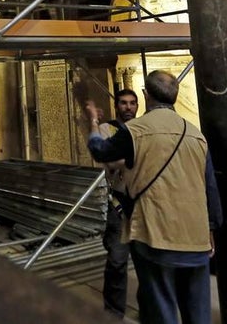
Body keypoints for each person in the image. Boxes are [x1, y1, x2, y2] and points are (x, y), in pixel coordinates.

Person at [85, 71, 222, 324]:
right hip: (195, 234)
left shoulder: (135, 130)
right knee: (197, 309)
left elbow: (100, 151)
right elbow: (210, 186)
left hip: (155, 230)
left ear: (146, 96)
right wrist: (211, 227)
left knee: (161, 305)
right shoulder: (196, 134)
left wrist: (93, 123)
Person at [96, 88, 138, 319]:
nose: (128, 107)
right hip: (119, 204)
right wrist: (134, 159)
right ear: (117, 105)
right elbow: (109, 162)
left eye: (132, 103)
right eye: (123, 103)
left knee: (146, 260)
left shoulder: (143, 129)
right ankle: (112, 313)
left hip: (143, 202)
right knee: (117, 260)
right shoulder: (108, 129)